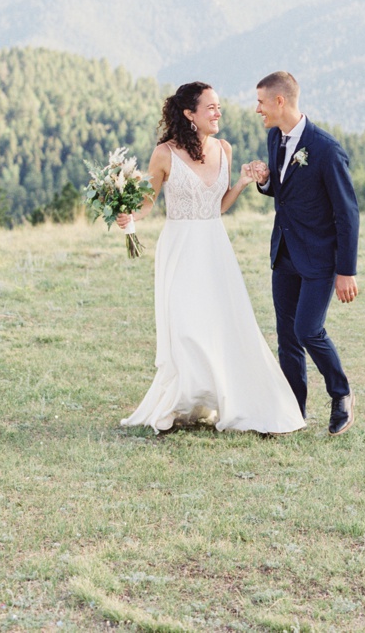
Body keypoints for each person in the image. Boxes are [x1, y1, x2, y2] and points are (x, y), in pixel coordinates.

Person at [117, 81, 306, 436]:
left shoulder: (224, 149)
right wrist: (130, 217)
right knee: (186, 327)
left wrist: (243, 184)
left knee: (222, 324)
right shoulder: (164, 154)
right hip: (181, 246)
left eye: (219, 106)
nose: (218, 112)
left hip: (215, 246)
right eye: (211, 107)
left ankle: (221, 398)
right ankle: (181, 401)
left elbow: (217, 205)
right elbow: (148, 201)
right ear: (190, 114)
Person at [251, 71, 360, 436]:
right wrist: (265, 180)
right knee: (287, 338)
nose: (257, 110)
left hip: (320, 258)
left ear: (280, 101)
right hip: (284, 254)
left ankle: (342, 394)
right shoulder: (274, 138)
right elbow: (283, 193)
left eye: (261, 102)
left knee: (307, 330)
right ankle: (292, 413)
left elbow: (347, 213)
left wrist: (346, 270)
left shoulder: (326, 150)